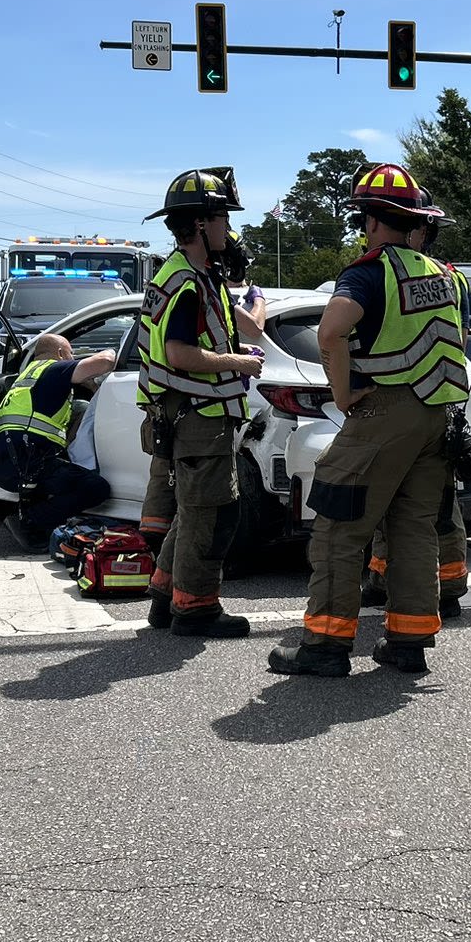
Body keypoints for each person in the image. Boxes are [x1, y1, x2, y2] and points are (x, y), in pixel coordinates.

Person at [269, 163, 466, 678]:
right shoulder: (448, 277)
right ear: (414, 219)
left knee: (338, 527)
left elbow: (331, 332)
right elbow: (456, 345)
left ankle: (325, 647)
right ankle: (408, 642)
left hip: (382, 413)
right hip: (437, 417)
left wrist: (343, 393)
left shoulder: (367, 272)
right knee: (414, 528)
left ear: (372, 221)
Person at [136, 168, 265, 638]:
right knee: (212, 514)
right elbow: (179, 354)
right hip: (199, 416)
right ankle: (196, 608)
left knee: (194, 511)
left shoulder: (189, 274)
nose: (228, 231)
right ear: (202, 224)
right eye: (223, 220)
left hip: (187, 414)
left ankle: (166, 597)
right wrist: (239, 362)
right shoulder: (188, 281)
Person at [363, 200, 471, 616]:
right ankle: (409, 580)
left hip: (406, 403)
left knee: (421, 503)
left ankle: (438, 584)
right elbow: (460, 342)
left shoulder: (395, 273)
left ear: (421, 231)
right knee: (427, 501)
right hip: (439, 402)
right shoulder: (450, 279)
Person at [0, 332, 116, 550]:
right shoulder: (55, 368)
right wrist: (114, 351)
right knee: (95, 487)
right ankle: (30, 520)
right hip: (26, 462)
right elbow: (104, 362)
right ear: (60, 353)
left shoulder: (28, 375)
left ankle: (34, 516)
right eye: (71, 354)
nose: (72, 358)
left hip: (4, 463)